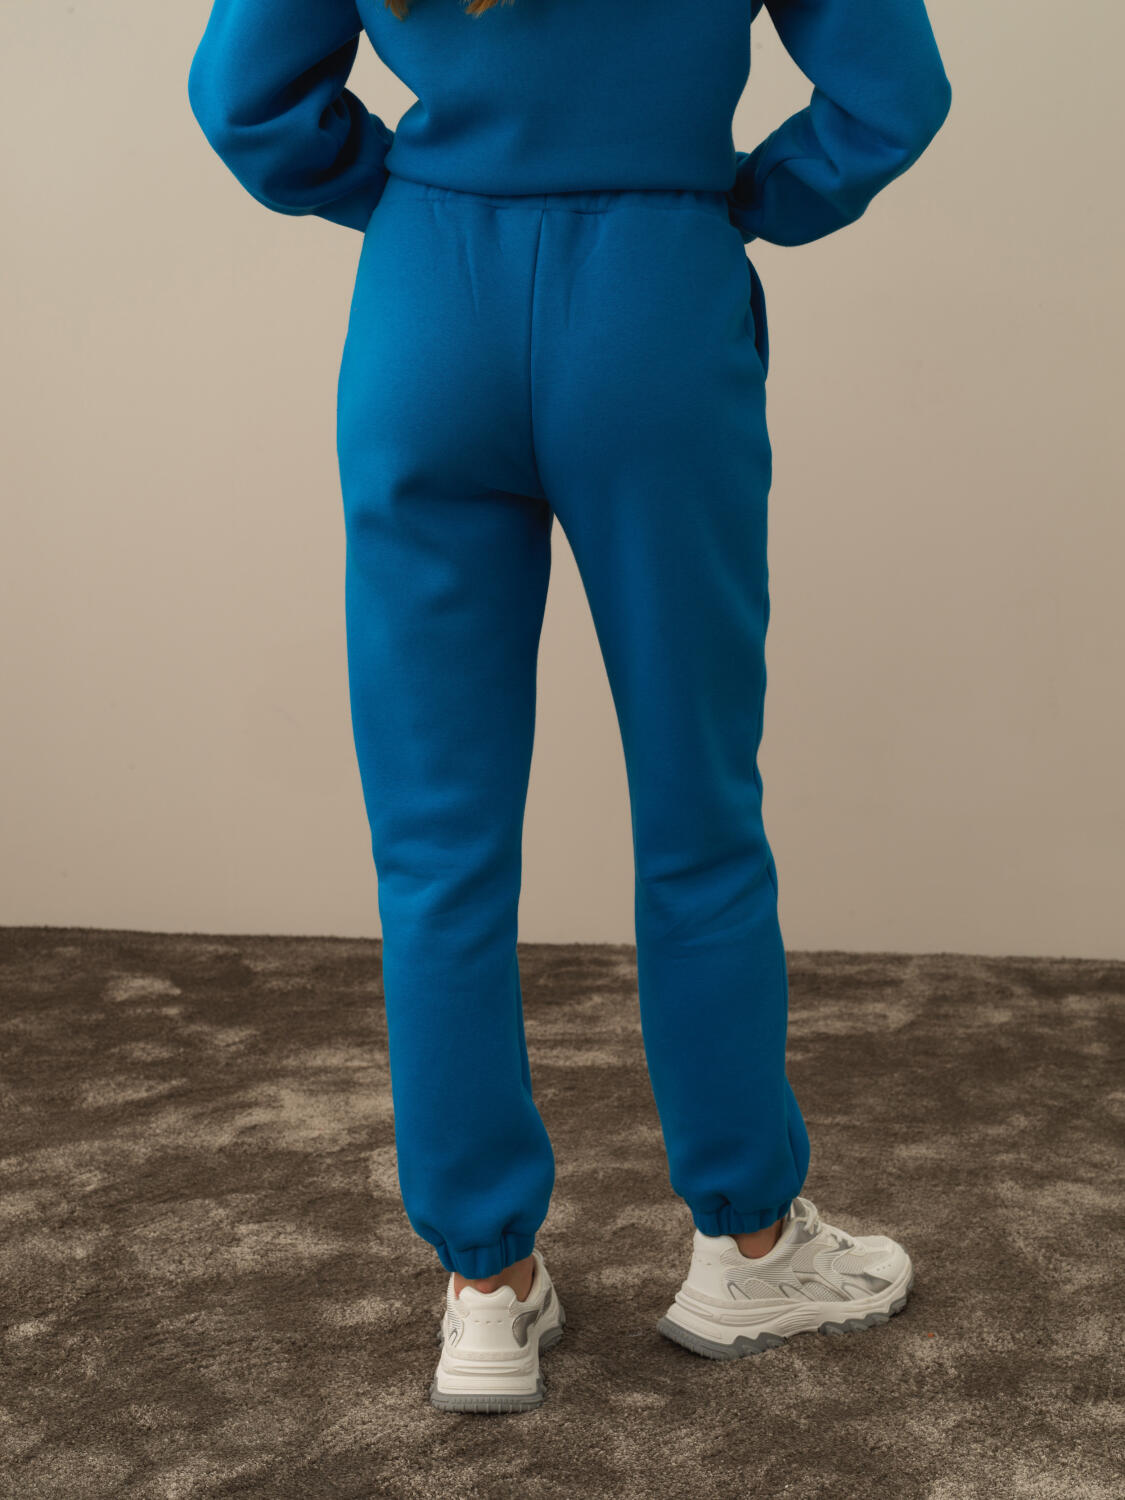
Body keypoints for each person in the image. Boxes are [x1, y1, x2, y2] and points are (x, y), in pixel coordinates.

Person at [187, 0, 951, 1414]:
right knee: (698, 809)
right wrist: (738, 200)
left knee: (437, 842)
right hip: (655, 303)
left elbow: (245, 97)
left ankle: (485, 1285)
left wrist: (420, 191)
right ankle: (750, 1244)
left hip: (428, 305)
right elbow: (891, 94)